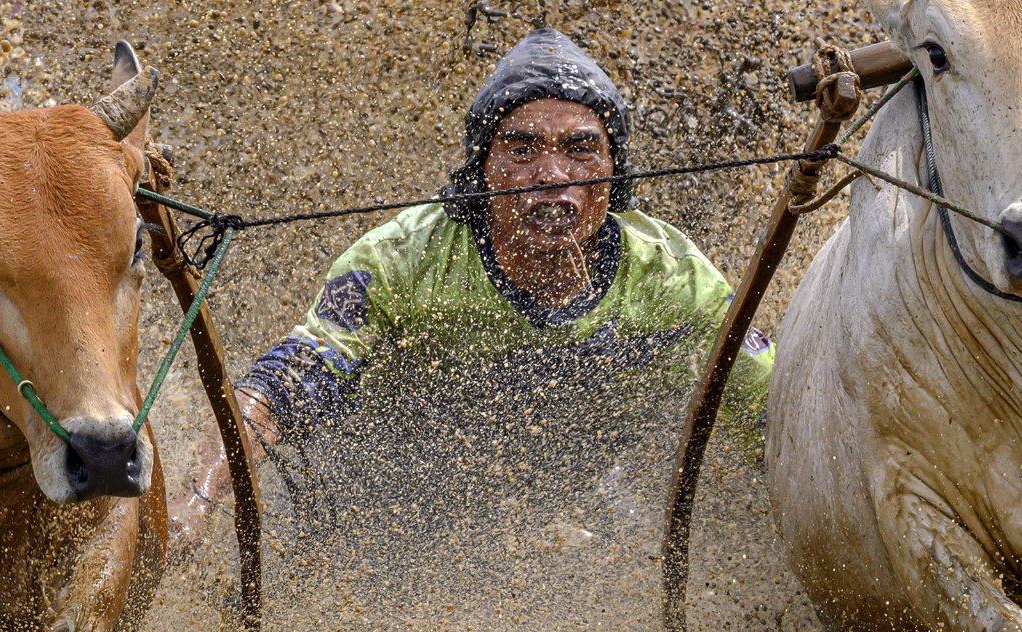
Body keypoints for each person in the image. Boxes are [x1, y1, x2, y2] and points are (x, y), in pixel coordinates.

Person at [171, 27, 774, 559]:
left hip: (576, 517)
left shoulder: (671, 276)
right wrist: (196, 504)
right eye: (521, 149)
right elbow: (283, 384)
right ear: (481, 168)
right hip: (387, 512)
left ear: (614, 171)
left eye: (581, 147)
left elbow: (775, 414)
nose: (552, 176)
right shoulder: (405, 256)